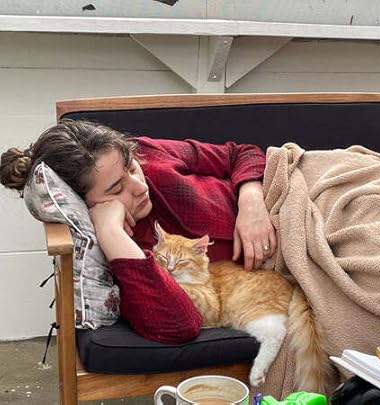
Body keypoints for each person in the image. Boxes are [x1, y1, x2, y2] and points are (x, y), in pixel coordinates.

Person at [0, 119, 277, 344]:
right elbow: (180, 325)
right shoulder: (124, 254)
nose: (140, 187)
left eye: (132, 167)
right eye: (117, 189)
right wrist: (111, 231)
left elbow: (242, 154)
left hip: (281, 202)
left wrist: (251, 201)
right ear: (88, 204)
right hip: (274, 279)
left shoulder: (149, 153)